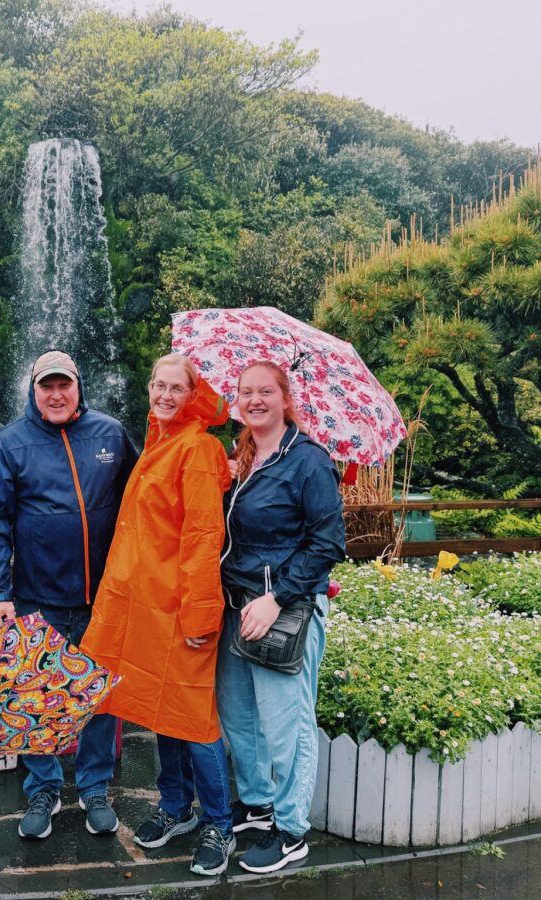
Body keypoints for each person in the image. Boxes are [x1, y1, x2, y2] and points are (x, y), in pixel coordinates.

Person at [80, 353, 236, 877]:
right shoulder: (159, 442)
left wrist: (200, 616)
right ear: (149, 388)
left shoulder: (197, 448)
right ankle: (176, 806)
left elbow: (202, 537)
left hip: (181, 609)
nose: (166, 395)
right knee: (164, 709)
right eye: (159, 385)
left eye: (177, 388)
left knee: (195, 719)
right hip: (149, 607)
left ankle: (219, 823)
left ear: (193, 396)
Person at [0, 349, 138, 840]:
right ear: (33, 391)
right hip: (37, 596)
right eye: (45, 386)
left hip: (102, 598)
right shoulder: (11, 442)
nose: (55, 394)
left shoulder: (110, 433)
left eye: (63, 384)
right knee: (37, 695)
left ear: (78, 386)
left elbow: (141, 499)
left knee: (96, 696)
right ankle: (43, 788)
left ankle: (94, 787)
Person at [216, 360, 346, 874]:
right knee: (239, 715)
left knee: (286, 725)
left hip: (284, 610)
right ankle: (258, 803)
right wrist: (226, 483)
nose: (255, 401)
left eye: (265, 392)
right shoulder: (244, 457)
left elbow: (327, 542)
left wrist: (278, 598)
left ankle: (291, 830)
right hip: (238, 605)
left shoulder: (308, 461)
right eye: (246, 392)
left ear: (285, 398)